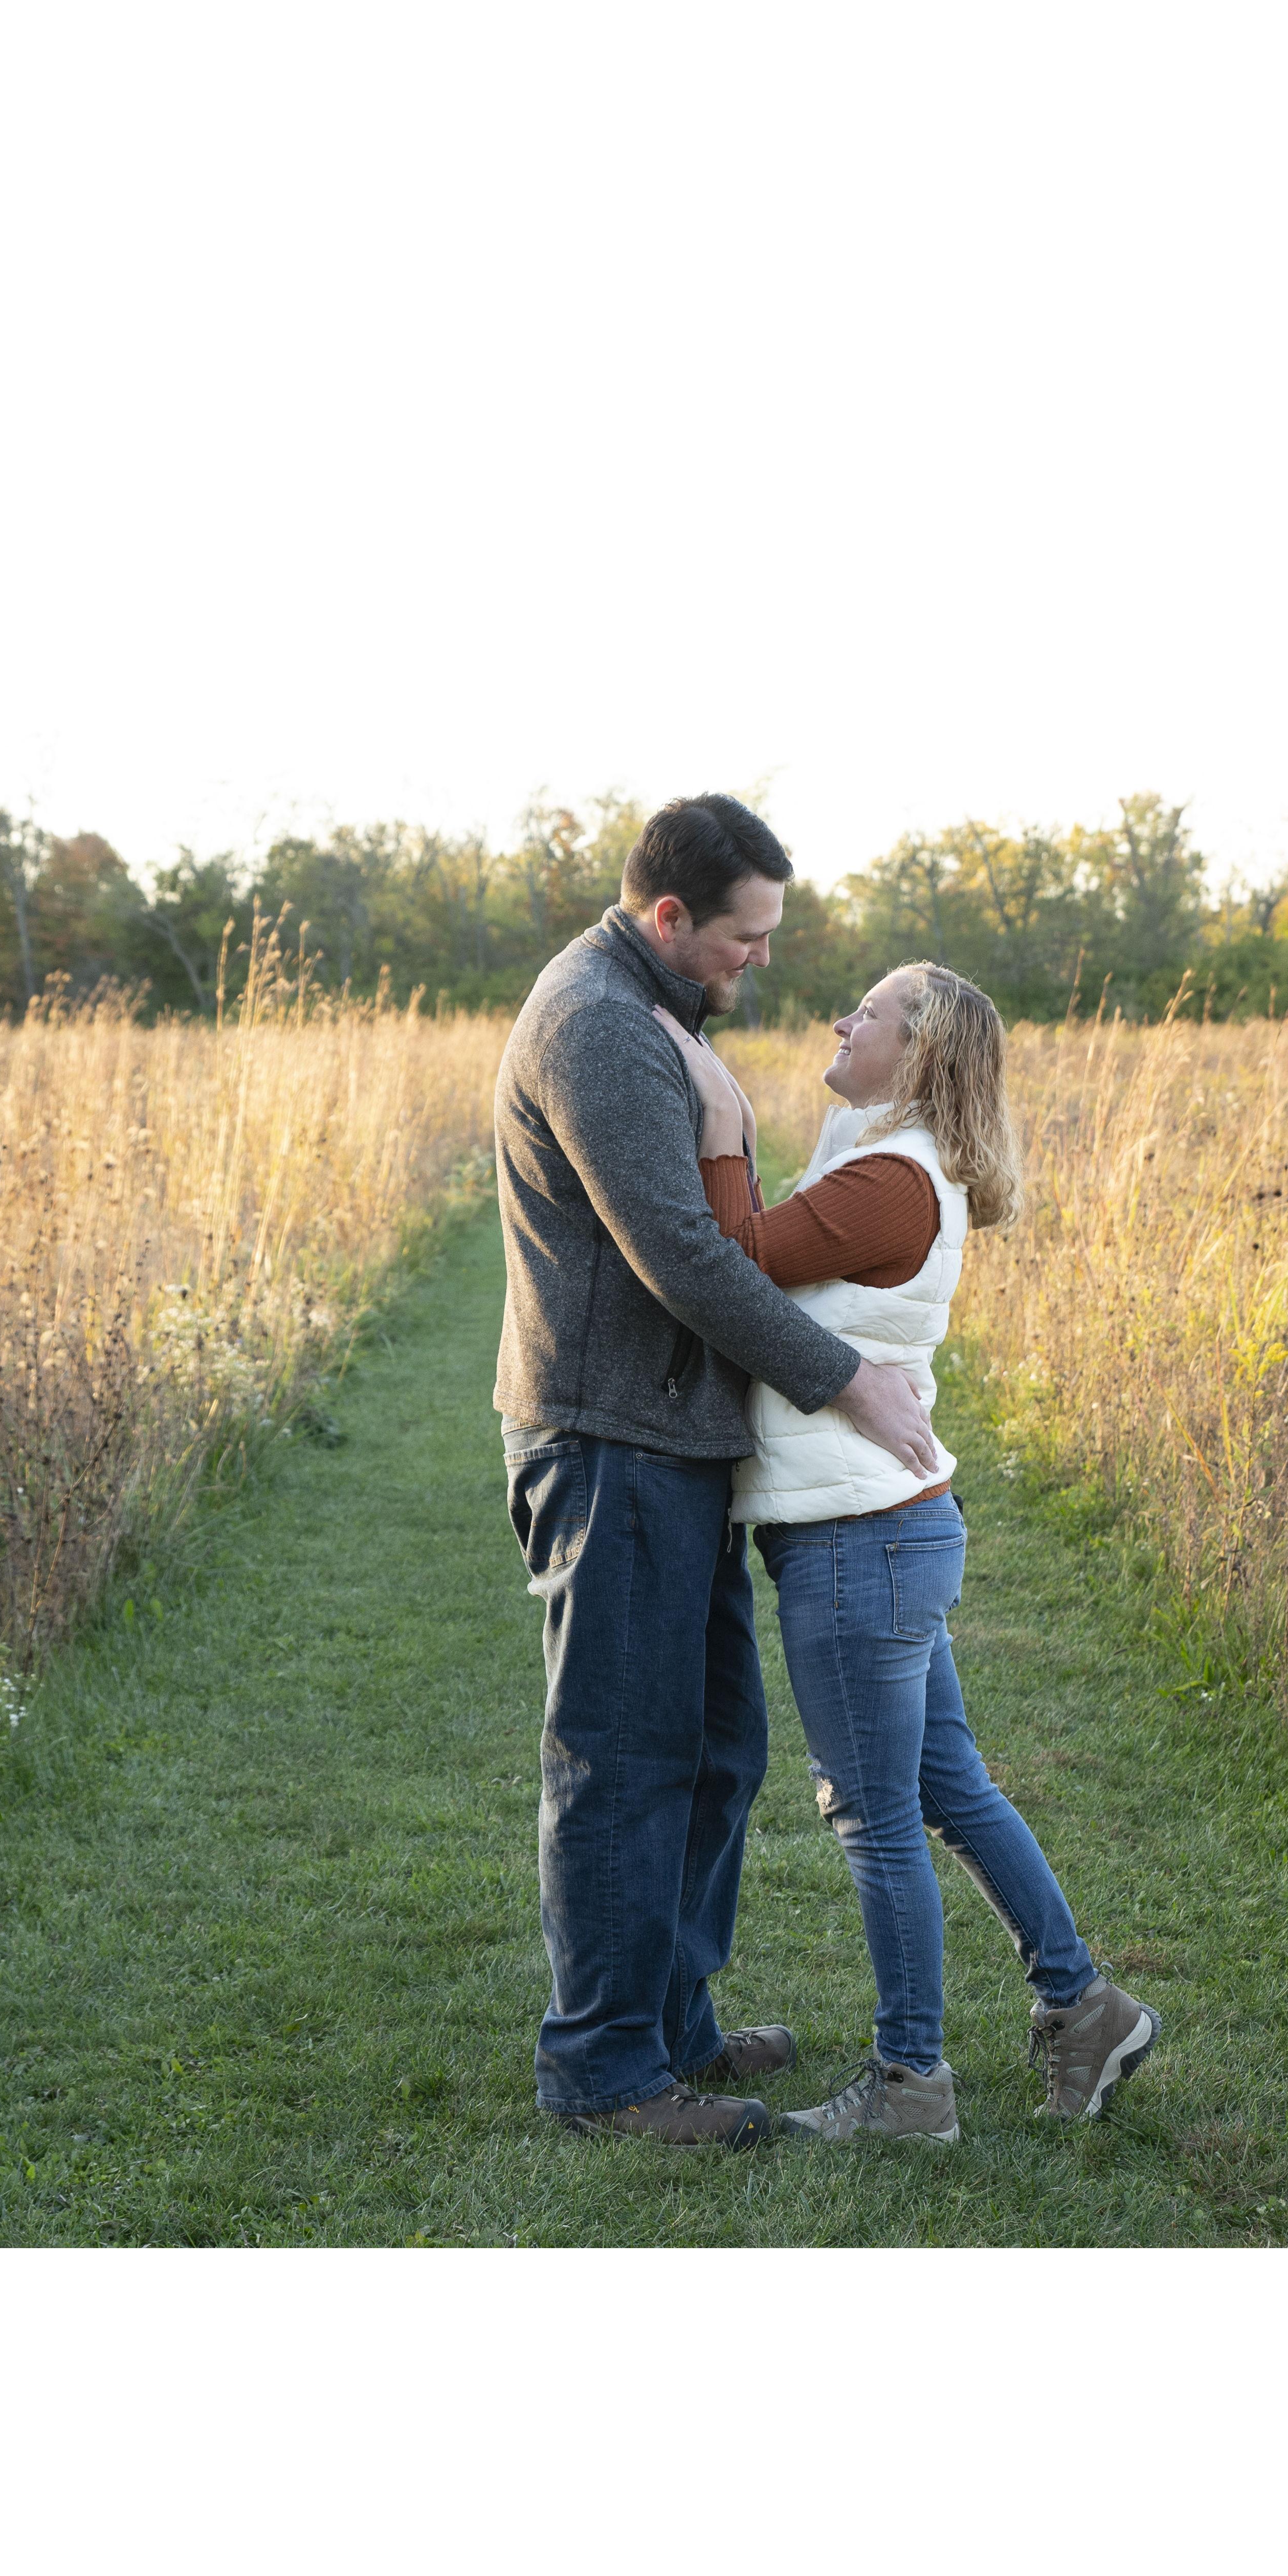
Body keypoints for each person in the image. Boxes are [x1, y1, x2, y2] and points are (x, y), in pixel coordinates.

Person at [493, 795, 942, 2149]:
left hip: (676, 1440)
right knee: (624, 1759)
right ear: (669, 914)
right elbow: (682, 1255)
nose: (762, 958)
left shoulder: (655, 1014)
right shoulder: (598, 1025)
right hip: (612, 1438)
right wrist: (843, 1375)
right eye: (744, 935)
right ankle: (604, 2072)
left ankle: (672, 2024)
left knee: (714, 1749)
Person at [654, 963, 1159, 2142]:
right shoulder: (886, 1162)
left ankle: (911, 2081)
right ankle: (1085, 2007)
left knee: (874, 1816)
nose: (842, 1020)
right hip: (886, 1530)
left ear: (919, 1050)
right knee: (945, 1787)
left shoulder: (891, 1181)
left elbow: (727, 1257)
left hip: (859, 1541)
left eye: (868, 1012)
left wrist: (722, 1121)